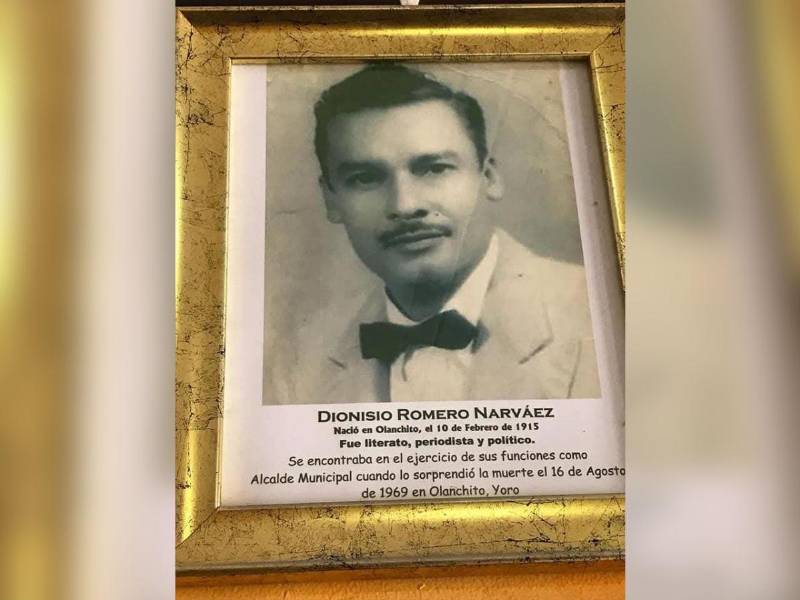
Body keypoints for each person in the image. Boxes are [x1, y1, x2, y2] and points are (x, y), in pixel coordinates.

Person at [267, 64, 600, 404]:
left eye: (434, 168)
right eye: (365, 178)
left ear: (488, 177)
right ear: (331, 199)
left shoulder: (602, 315)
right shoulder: (298, 363)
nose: (405, 204)